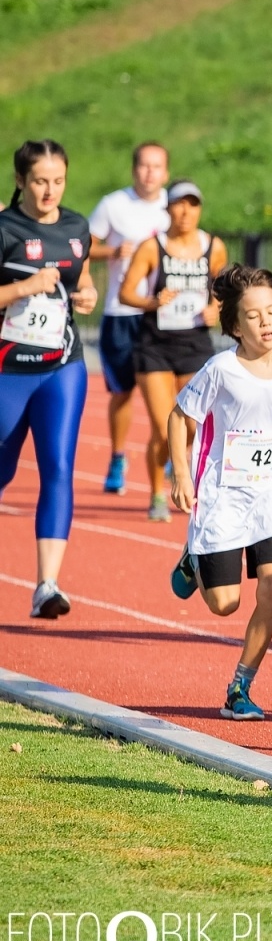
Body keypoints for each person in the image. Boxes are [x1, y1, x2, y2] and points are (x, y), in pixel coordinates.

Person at [168, 266, 272, 722]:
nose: (266, 322)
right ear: (234, 327)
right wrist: (181, 473)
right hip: (224, 495)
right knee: (225, 604)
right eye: (253, 315)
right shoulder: (220, 369)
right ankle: (194, 557)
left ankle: (240, 685)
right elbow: (180, 415)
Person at [0, 140, 98, 618]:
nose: (49, 191)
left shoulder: (78, 227)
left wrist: (87, 295)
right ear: (20, 180)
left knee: (58, 466)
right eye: (40, 181)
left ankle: (47, 585)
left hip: (63, 366)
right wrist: (22, 286)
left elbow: (82, 280)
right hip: (8, 370)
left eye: (58, 181)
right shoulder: (3, 229)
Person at [118, 180, 227, 523]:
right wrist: (152, 301)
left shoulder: (214, 246)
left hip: (195, 344)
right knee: (163, 426)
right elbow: (125, 293)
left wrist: (217, 309)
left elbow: (224, 291)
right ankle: (156, 494)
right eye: (180, 204)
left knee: (192, 426)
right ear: (168, 208)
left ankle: (174, 462)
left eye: (193, 205)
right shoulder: (153, 247)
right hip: (155, 347)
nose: (186, 212)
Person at [87, 141, 170, 496]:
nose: (150, 173)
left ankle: (169, 457)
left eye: (157, 166)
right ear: (134, 169)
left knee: (168, 394)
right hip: (121, 314)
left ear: (165, 172)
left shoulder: (173, 206)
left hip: (159, 315)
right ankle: (118, 457)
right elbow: (84, 246)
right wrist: (111, 251)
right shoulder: (113, 204)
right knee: (122, 392)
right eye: (144, 166)